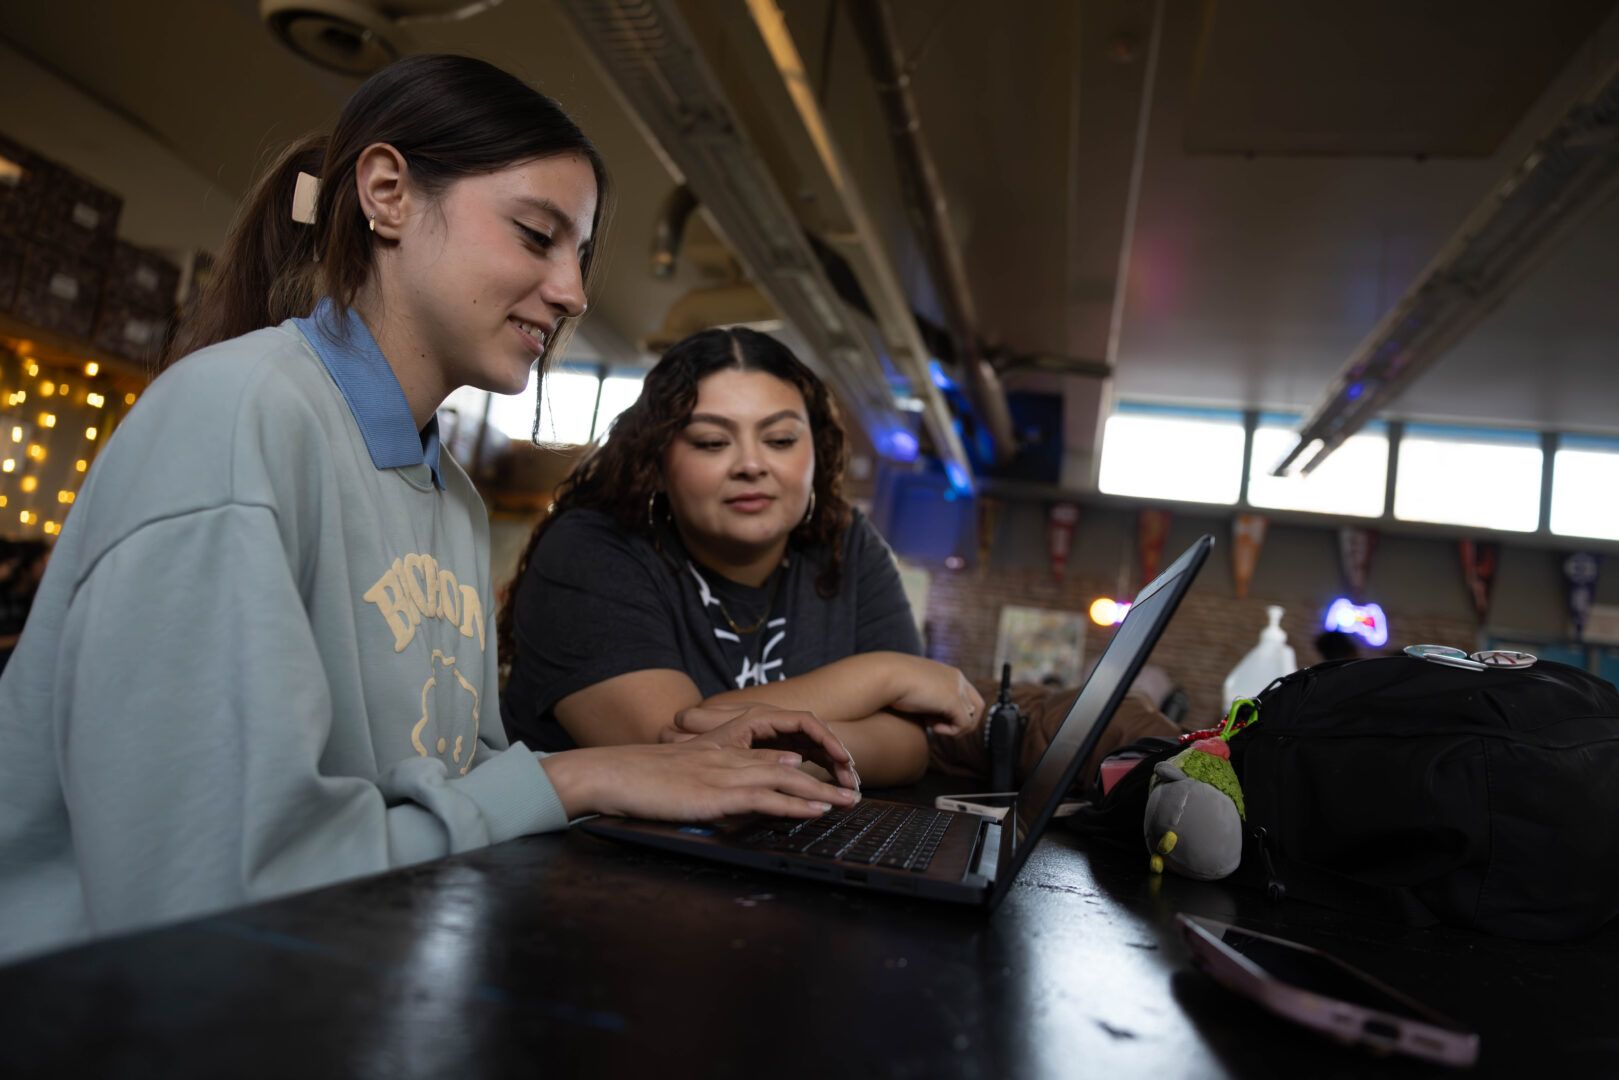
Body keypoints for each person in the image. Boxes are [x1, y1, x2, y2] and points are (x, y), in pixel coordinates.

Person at [0, 56, 859, 966]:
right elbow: (209, 889)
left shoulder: (450, 493)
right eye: (537, 236)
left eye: (579, 255)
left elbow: (454, 780)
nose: (572, 292)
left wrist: (659, 766)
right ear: (388, 194)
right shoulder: (233, 416)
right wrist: (578, 777)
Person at [498, 326, 990, 789]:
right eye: (712, 442)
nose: (752, 465)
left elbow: (908, 748)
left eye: (780, 440)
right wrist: (882, 676)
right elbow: (672, 755)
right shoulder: (589, 550)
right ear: (657, 460)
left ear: (816, 452)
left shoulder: (848, 545)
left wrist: (745, 745)